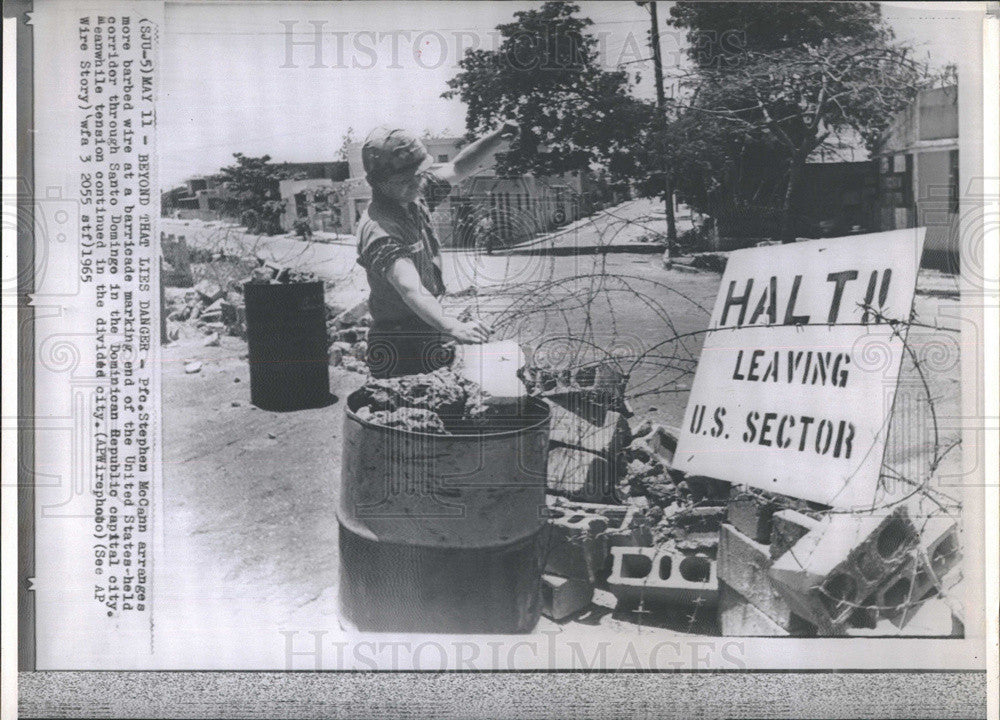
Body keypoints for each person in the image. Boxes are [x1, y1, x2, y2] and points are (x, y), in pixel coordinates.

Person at [356, 122, 518, 378]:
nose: (415, 184)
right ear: (376, 182)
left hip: (427, 329)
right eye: (403, 180)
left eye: (418, 175)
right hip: (397, 345)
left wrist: (495, 138)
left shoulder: (412, 194)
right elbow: (410, 288)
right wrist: (451, 325)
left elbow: (457, 167)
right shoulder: (380, 228)